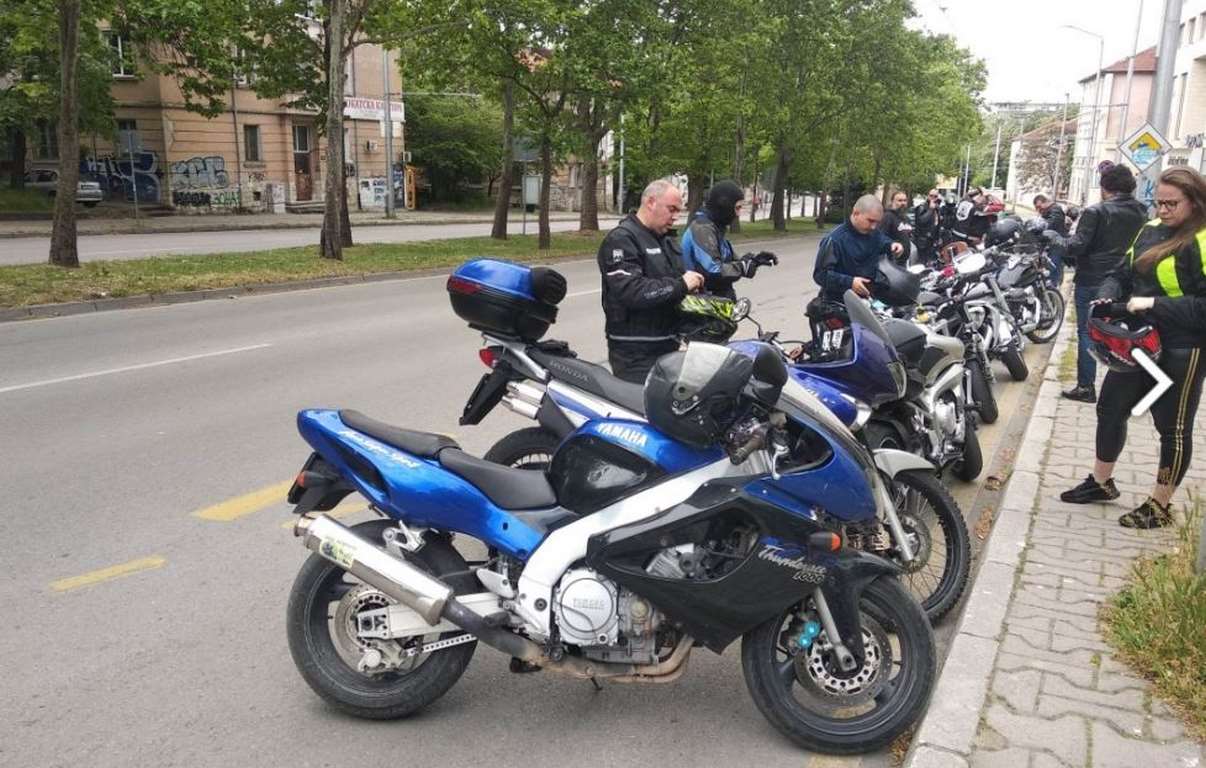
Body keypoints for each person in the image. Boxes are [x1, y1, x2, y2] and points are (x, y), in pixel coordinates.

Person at [1060, 167, 1206, 529]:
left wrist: (1153, 304)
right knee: (1111, 407)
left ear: (1194, 202)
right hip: (1139, 340)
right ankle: (1101, 482)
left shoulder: (1201, 239)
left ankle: (1160, 505)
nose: (1163, 210)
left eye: (1172, 204)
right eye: (1158, 202)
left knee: (1172, 427)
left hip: (1183, 345)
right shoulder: (1150, 229)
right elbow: (1121, 271)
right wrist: (1107, 293)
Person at [1049, 164, 1148, 403]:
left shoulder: (1096, 211)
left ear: (1104, 187)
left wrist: (1055, 238)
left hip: (1093, 279)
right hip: (1126, 280)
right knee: (1125, 332)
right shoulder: (1142, 211)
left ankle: (1086, 387)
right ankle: (1126, 389)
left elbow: (1077, 246)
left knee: (1088, 331)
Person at [597, 179, 704, 383]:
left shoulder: (666, 239)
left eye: (679, 211)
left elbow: (674, 287)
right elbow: (632, 291)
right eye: (672, 209)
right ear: (650, 202)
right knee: (642, 402)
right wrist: (681, 284)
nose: (676, 216)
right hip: (635, 352)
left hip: (668, 344)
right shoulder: (621, 240)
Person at [680, 179, 778, 300]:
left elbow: (730, 261)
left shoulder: (715, 227)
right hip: (701, 303)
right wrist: (742, 267)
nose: (738, 214)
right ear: (724, 206)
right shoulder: (702, 228)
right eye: (737, 208)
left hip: (716, 299)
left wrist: (754, 260)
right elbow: (713, 270)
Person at [813, 194, 904, 301]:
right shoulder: (834, 239)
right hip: (839, 302)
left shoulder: (873, 233)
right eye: (870, 221)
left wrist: (892, 245)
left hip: (867, 299)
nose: (874, 226)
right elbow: (820, 275)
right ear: (856, 213)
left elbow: (883, 241)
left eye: (877, 222)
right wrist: (850, 282)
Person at [1034, 193, 1070, 288]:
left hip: (1057, 245)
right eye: (1036, 208)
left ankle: (1053, 289)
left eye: (1039, 207)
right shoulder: (1048, 211)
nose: (1038, 210)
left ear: (1045, 202)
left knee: (1053, 267)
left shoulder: (1055, 210)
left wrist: (1039, 226)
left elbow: (1049, 225)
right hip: (1051, 244)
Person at [878, 190, 914, 263]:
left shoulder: (906, 219)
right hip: (891, 261)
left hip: (904, 261)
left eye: (905, 200)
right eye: (899, 200)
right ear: (892, 202)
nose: (903, 203)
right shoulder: (887, 217)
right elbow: (881, 237)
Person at [913, 188, 942, 264]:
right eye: (931, 196)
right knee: (921, 262)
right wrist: (930, 210)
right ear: (928, 196)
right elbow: (921, 221)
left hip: (932, 240)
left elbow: (937, 224)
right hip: (923, 240)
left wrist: (938, 237)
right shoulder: (922, 207)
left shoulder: (937, 208)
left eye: (935, 196)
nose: (933, 198)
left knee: (931, 262)